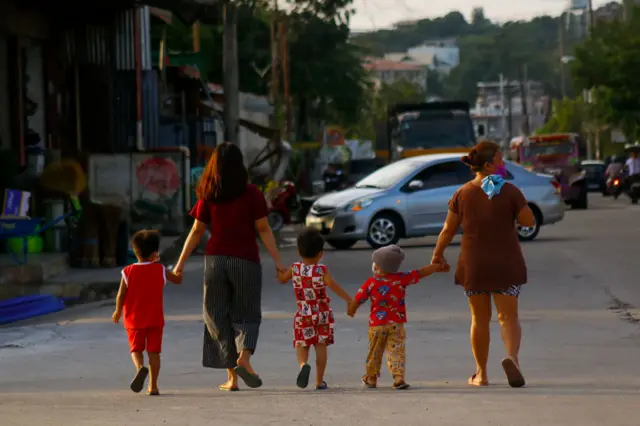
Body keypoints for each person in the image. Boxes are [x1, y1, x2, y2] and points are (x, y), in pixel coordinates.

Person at [172, 142, 285, 391]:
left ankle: (232, 378)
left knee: (216, 314)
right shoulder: (252, 193)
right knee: (246, 313)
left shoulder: (209, 193)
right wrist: (278, 262)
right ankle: (243, 359)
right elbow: (264, 229)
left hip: (215, 261)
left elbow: (196, 230)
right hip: (245, 260)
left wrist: (179, 265)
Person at [432, 141, 535, 388]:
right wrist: (515, 202)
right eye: (500, 160)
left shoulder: (462, 193)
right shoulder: (509, 190)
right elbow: (528, 221)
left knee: (479, 318)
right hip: (506, 264)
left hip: (474, 265)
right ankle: (512, 358)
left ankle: (481, 374)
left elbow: (448, 229)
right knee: (508, 317)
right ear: (489, 165)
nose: (503, 164)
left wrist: (438, 255)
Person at [347, 245, 449, 390]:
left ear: (377, 266)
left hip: (377, 324)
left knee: (375, 351)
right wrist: (436, 267)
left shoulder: (371, 282)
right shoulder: (401, 278)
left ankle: (371, 377)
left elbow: (358, 299)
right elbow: (420, 272)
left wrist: (351, 310)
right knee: (396, 350)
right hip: (397, 323)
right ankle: (398, 377)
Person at [277, 228, 352, 390]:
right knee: (321, 345)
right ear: (321, 254)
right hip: (322, 313)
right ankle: (319, 381)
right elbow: (333, 285)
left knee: (302, 344)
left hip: (304, 313)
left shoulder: (295, 268)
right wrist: (349, 299)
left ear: (298, 251)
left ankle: (303, 364)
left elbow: (282, 279)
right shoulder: (321, 270)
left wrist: (280, 272)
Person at [112, 230, 183, 396]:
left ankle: (139, 368)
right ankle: (153, 386)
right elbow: (178, 280)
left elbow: (121, 294)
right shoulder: (160, 270)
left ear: (135, 251)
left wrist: (117, 311)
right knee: (154, 352)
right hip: (155, 319)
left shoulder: (127, 271)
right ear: (155, 253)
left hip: (134, 319)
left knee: (136, 349)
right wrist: (179, 269)